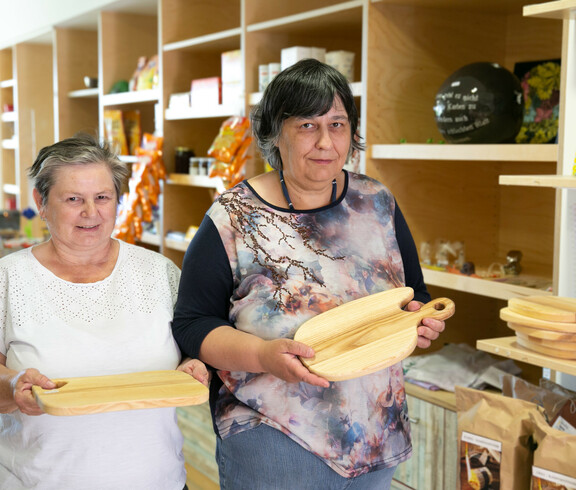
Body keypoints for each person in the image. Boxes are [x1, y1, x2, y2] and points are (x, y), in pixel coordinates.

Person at [172, 59, 446, 489]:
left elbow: (413, 295)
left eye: (337, 125)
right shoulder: (232, 217)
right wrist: (263, 357)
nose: (325, 142)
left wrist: (420, 321)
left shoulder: (376, 203)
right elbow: (192, 325)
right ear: (274, 133)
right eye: (306, 125)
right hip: (275, 435)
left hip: (375, 433)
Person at [0, 134, 207, 490]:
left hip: (160, 481)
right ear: (42, 201)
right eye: (73, 199)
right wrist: (12, 387)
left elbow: (190, 348)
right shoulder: (8, 278)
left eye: (102, 197)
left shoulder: (159, 272)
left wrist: (193, 363)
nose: (91, 213)